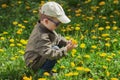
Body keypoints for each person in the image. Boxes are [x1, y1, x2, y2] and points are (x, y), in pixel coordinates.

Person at [24, 1, 76, 76]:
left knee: (56, 47)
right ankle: (41, 73)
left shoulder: (46, 27)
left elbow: (57, 38)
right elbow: (50, 54)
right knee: (55, 49)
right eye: (57, 23)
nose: (59, 26)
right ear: (46, 21)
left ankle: (45, 69)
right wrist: (65, 49)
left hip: (40, 56)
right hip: (33, 63)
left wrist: (66, 43)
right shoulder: (41, 36)